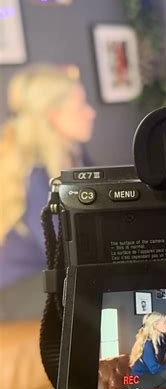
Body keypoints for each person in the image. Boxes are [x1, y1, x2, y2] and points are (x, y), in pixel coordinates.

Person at [0, 65, 96, 320]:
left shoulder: (76, 157)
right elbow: (59, 249)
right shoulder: (36, 174)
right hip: (20, 288)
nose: (91, 112)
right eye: (81, 105)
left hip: (50, 277)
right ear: (53, 116)